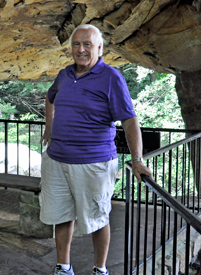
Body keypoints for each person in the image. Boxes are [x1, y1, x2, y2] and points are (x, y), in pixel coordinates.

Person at [40, 24, 153, 275]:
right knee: (62, 215)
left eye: (87, 44)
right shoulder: (64, 74)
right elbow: (50, 99)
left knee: (98, 218)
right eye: (76, 44)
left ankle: (100, 269)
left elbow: (129, 120)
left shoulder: (111, 77)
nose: (81, 49)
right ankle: (63, 267)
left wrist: (137, 159)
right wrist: (49, 127)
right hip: (57, 160)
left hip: (94, 163)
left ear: (99, 48)